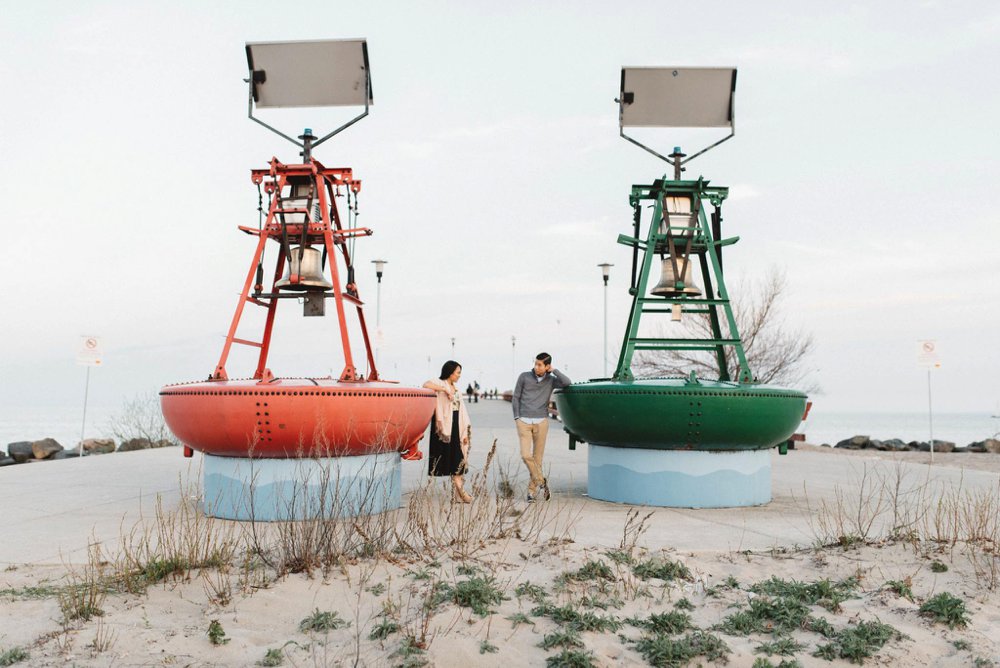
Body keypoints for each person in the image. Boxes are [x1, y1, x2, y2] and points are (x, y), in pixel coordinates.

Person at [512, 352, 571, 502]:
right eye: (535, 363)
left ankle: (531, 492)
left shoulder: (551, 380)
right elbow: (516, 397)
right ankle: (542, 482)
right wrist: (517, 417)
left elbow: (567, 382)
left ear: (547, 366)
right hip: (524, 422)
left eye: (540, 365)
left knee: (537, 459)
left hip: (541, 423)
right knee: (526, 455)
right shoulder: (524, 377)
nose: (536, 367)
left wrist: (555, 371)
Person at [424, 361, 473, 503]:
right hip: (446, 427)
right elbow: (426, 385)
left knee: (458, 460)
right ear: (450, 372)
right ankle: (462, 494)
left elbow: (461, 409)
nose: (459, 376)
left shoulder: (456, 388)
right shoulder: (440, 383)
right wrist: (444, 390)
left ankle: (459, 495)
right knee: (455, 460)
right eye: (458, 372)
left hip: (457, 425)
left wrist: (465, 432)